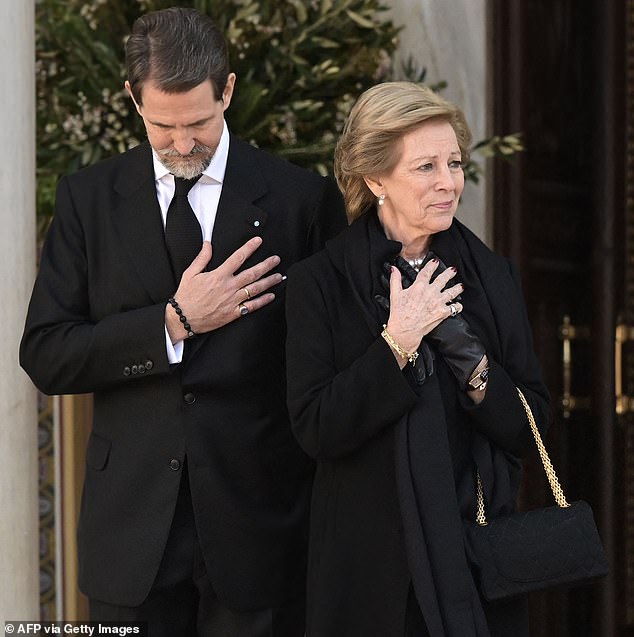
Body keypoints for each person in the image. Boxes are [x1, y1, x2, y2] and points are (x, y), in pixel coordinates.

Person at [20, 7, 346, 636]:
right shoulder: (88, 200)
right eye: (160, 126)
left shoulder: (301, 202)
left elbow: (323, 370)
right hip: (129, 536)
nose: (181, 143)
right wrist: (172, 321)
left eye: (198, 122)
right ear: (131, 100)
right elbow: (47, 353)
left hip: (261, 528)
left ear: (227, 91)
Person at [285, 81, 550, 637]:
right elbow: (316, 428)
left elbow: (532, 429)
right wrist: (398, 342)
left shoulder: (492, 278)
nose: (449, 183)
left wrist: (468, 357)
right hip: (369, 576)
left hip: (475, 558)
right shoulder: (321, 284)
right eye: (426, 167)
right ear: (375, 178)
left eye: (453, 162)